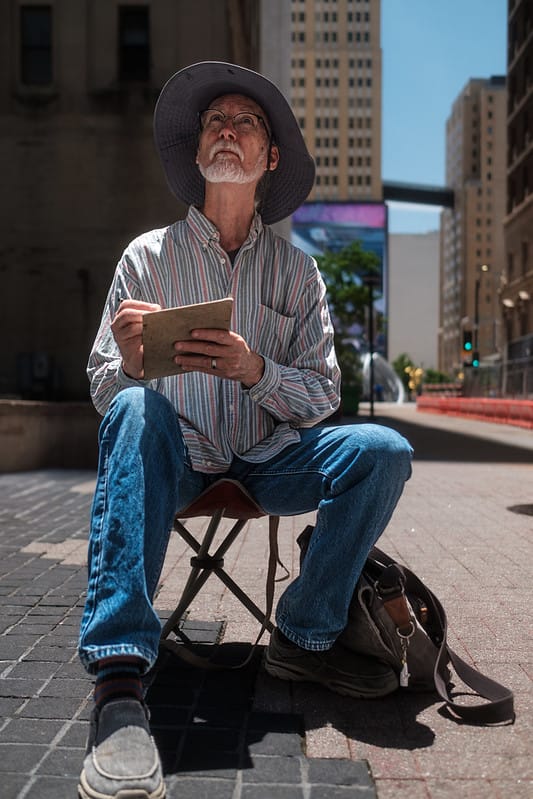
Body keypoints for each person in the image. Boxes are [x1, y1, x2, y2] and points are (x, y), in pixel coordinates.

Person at [77, 61, 412, 799]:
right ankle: (120, 676)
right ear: (198, 151)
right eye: (214, 123)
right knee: (134, 408)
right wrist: (131, 364)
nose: (227, 131)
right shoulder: (146, 257)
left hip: (269, 460)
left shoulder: (297, 272)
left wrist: (257, 368)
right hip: (179, 456)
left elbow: (322, 392)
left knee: (384, 450)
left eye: (246, 123)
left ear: (270, 159)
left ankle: (304, 633)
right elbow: (104, 389)